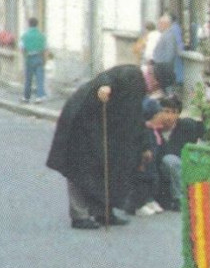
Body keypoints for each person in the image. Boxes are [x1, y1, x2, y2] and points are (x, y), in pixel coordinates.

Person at [45, 63, 149, 230]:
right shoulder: (129, 75)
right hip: (79, 119)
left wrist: (144, 145)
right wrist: (104, 87)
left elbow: (134, 119)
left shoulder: (139, 88)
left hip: (99, 123)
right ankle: (79, 215)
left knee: (104, 165)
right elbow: (106, 77)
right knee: (79, 167)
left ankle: (103, 212)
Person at [133, 95, 205, 215]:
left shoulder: (187, 126)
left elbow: (205, 132)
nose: (169, 116)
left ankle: (184, 197)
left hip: (183, 166)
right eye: (165, 111)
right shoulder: (152, 130)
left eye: (173, 112)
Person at [151, 12, 185, 95]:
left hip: (165, 70)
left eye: (159, 23)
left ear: (165, 24)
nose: (158, 25)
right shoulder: (166, 34)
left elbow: (169, 55)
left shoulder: (169, 35)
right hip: (163, 69)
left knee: (169, 93)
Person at [21, 17, 49, 102]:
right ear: (37, 24)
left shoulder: (25, 35)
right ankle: (39, 97)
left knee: (28, 79)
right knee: (40, 78)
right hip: (39, 57)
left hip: (29, 58)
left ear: (29, 24)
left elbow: (22, 48)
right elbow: (46, 48)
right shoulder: (42, 35)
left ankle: (26, 97)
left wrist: (25, 56)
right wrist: (45, 59)